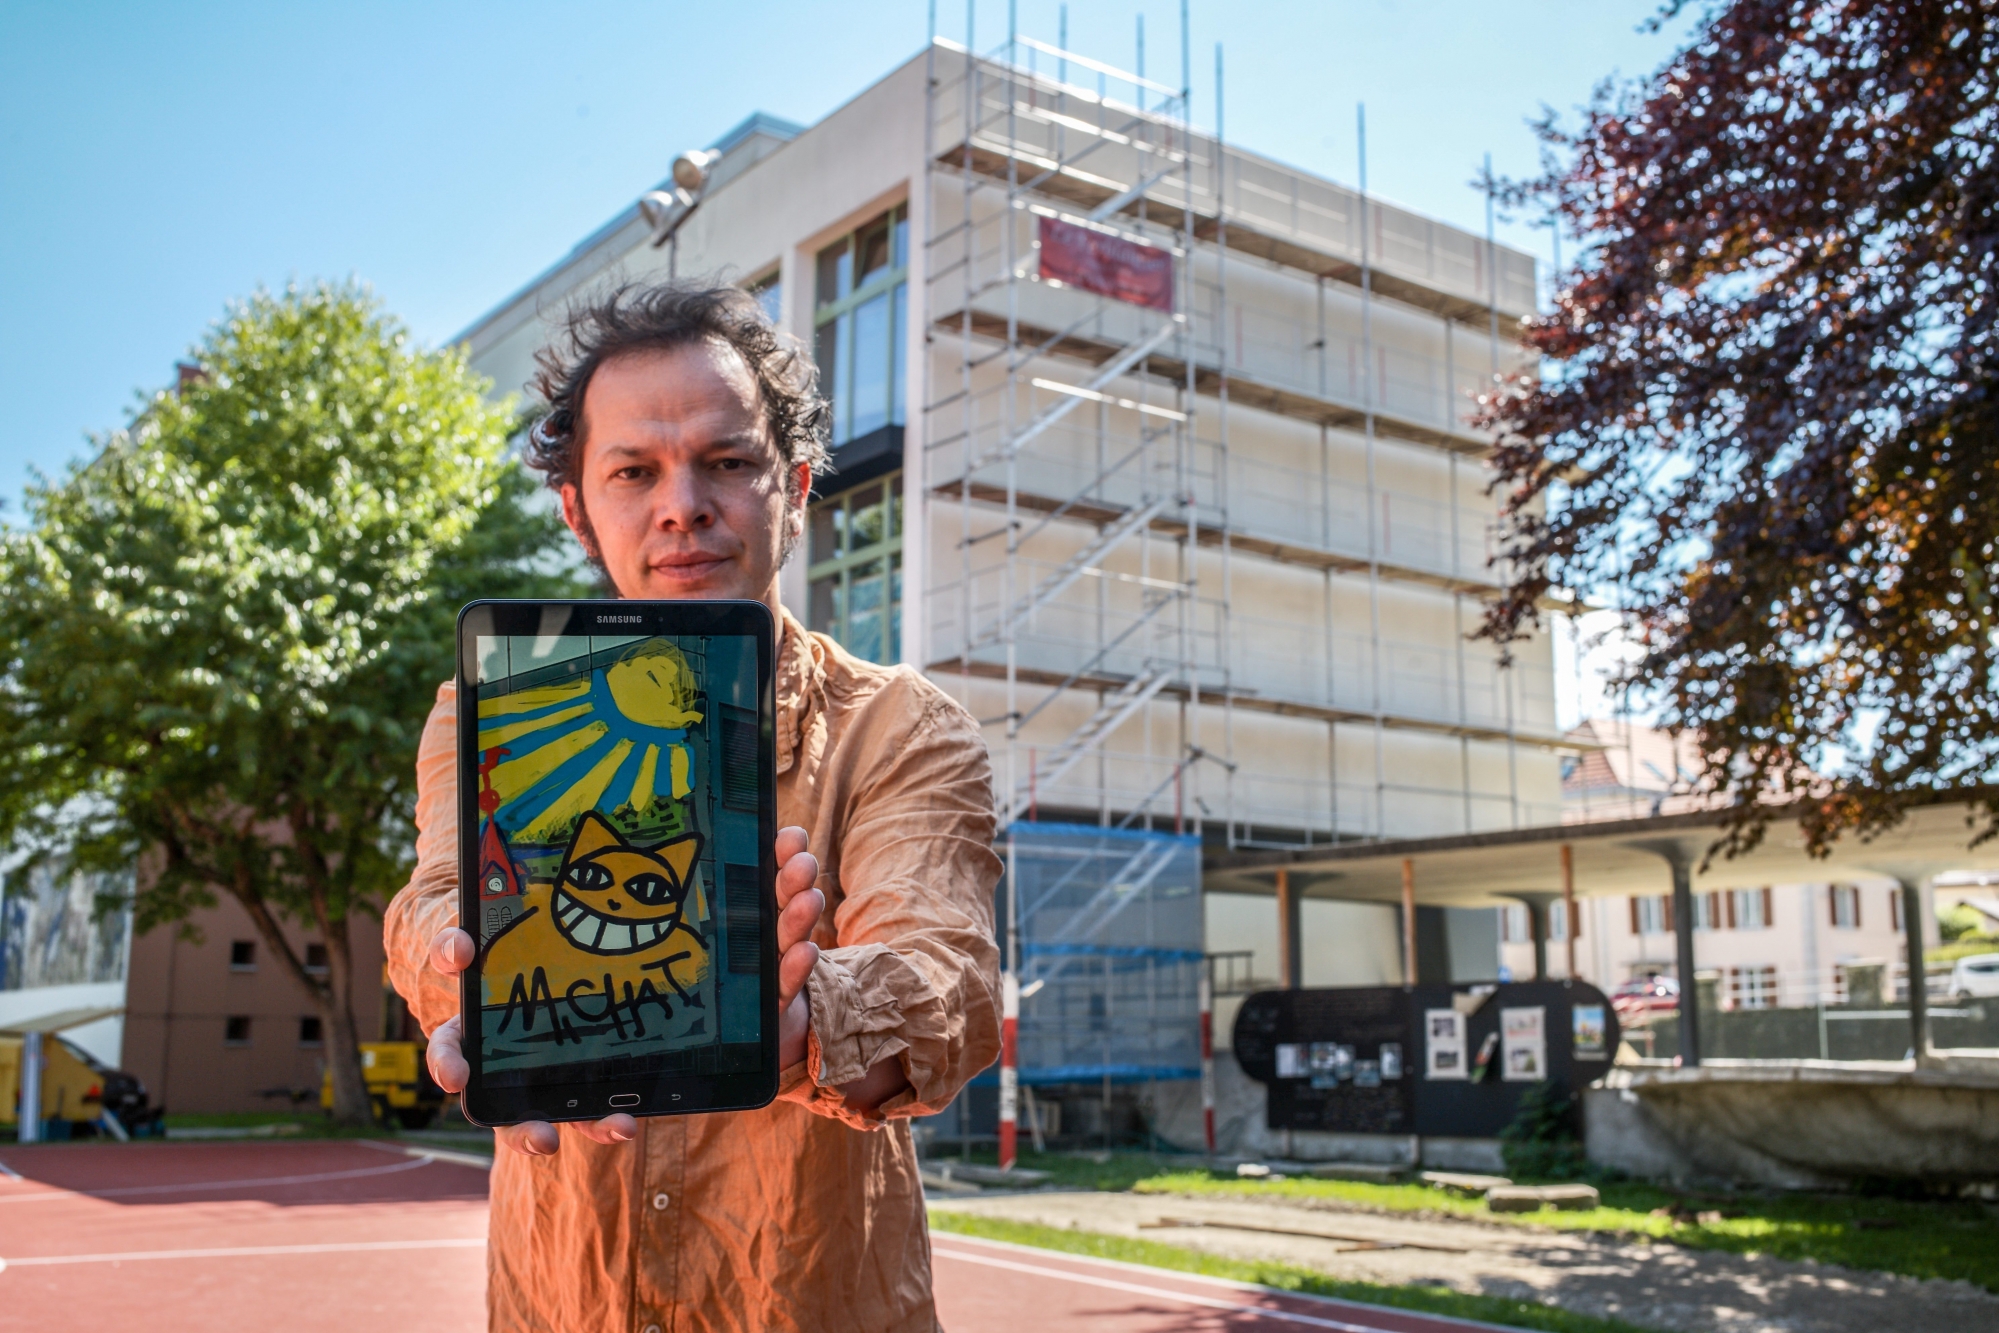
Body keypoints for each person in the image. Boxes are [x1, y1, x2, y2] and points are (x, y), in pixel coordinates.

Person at [382, 283, 1003, 1333]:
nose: (681, 505)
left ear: (796, 485)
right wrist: (456, 980)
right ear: (577, 506)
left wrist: (796, 1019)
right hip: (559, 1301)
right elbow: (434, 894)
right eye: (634, 470)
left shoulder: (904, 727)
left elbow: (948, 980)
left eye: (727, 461)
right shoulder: (479, 712)